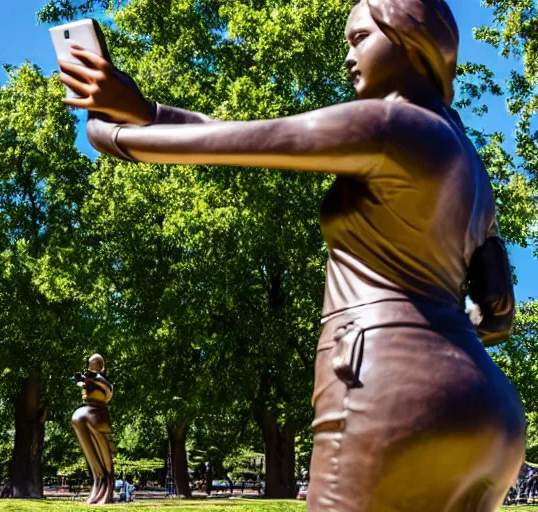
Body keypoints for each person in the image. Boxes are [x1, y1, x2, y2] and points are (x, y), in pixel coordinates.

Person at [57, 0, 525, 510]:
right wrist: (146, 112)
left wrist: (110, 128)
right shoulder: (469, 163)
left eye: (359, 39)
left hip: (389, 390)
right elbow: (497, 315)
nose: (348, 57)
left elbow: (228, 141)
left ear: (410, 39)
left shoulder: (390, 124)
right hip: (490, 412)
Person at [71, 353, 115, 505]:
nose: (90, 368)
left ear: (100, 366)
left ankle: (107, 482)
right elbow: (82, 388)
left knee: (92, 424)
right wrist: (81, 381)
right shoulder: (89, 378)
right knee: (77, 418)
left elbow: (108, 391)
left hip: (97, 411)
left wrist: (95, 378)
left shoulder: (102, 379)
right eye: (89, 365)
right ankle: (98, 478)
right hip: (87, 409)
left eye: (93, 365)